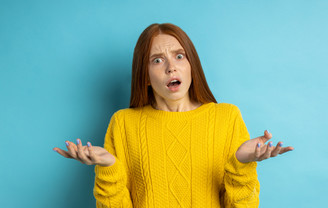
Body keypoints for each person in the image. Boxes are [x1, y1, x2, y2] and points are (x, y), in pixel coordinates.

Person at [53, 23, 294, 208]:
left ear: (192, 65)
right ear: (145, 76)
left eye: (179, 56)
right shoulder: (124, 123)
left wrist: (241, 165)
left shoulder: (227, 117)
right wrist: (108, 167)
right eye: (157, 60)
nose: (171, 67)